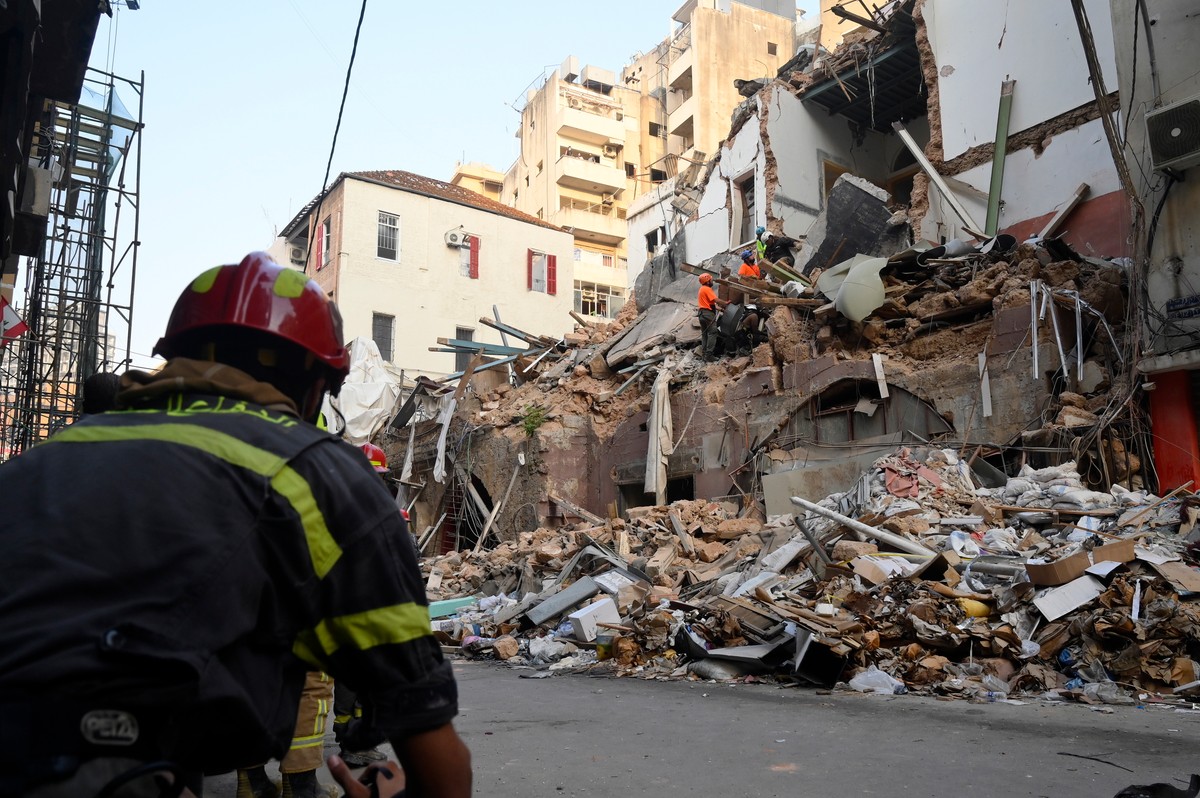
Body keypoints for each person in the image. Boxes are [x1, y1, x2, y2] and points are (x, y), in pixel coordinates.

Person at [0, 253, 471, 798]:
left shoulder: (34, 465)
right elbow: (439, 764)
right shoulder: (319, 472)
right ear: (316, 384)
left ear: (174, 359)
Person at [697, 271, 728, 362]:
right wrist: (725, 303)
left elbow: (711, 304)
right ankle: (709, 355)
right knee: (712, 333)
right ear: (707, 281)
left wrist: (721, 309)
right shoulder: (707, 289)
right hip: (707, 314)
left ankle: (704, 355)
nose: (712, 281)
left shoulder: (702, 289)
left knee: (705, 335)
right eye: (711, 280)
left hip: (702, 314)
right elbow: (716, 300)